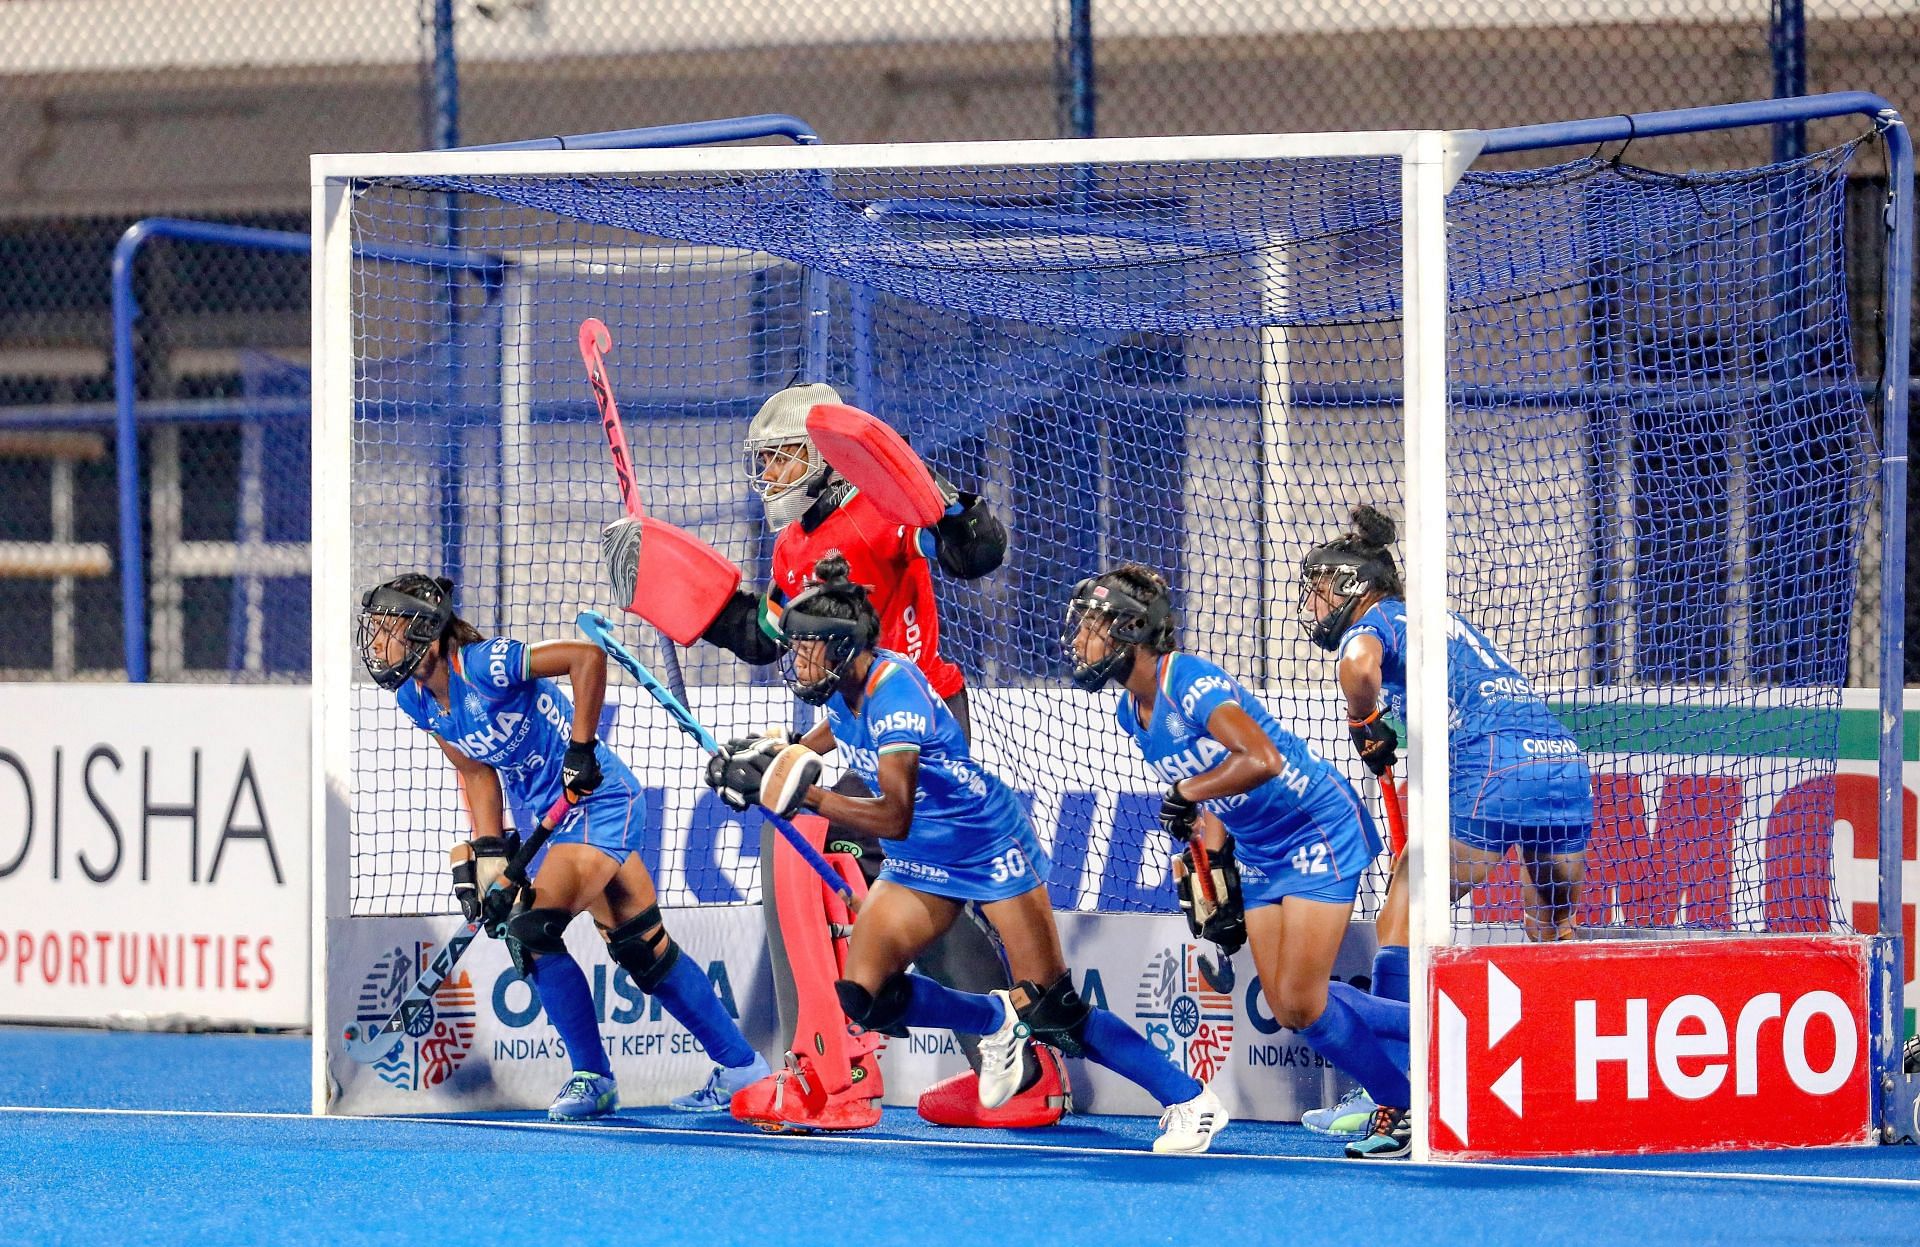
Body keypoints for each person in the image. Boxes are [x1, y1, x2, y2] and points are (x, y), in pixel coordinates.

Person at [707, 557, 1225, 1152]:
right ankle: (993, 1020)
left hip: (983, 842)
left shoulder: (893, 693)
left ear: (842, 649)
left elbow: (893, 814)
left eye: (805, 649)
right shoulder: (847, 687)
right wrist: (781, 755)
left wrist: (805, 793)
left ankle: (1190, 1101)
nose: (796, 662)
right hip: (921, 855)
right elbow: (835, 731)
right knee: (865, 998)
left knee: (1054, 1010)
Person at [683, 383, 1068, 1129]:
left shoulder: (885, 510)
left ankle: (827, 1072)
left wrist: (959, 519)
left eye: (783, 457)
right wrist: (694, 601)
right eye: (762, 461)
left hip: (917, 719)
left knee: (806, 841)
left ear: (827, 460)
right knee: (923, 900)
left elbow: (968, 552)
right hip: (854, 726)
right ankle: (1020, 1068)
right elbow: (769, 634)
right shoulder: (792, 543)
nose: (768, 475)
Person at [357, 572, 768, 1121]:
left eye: (390, 629)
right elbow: (476, 772)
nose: (377, 643)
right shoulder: (418, 700)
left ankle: (592, 1077)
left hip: (600, 800)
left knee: (531, 931)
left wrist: (581, 748)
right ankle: (744, 1070)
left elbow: (584, 657)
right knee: (643, 951)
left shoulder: (483, 664)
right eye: (376, 629)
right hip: (555, 820)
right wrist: (488, 854)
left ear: (426, 633)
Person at [1064, 564, 1414, 1159]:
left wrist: (1190, 795)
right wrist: (1214, 852)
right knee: (1289, 1007)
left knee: (1304, 1000)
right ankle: (1418, 1071)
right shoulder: (1131, 713)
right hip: (1258, 847)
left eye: (1090, 627)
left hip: (1313, 826)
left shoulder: (1190, 680)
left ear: (1128, 630)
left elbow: (1262, 757)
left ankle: (1413, 1083)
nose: (1077, 640)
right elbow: (1208, 786)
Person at [1295, 505, 1594, 1141]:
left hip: (1491, 768)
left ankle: (1399, 1093)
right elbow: (1432, 703)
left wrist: (1360, 719)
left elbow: (1359, 670)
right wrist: (1390, 730)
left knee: (1399, 917)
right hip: (1562, 763)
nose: (1313, 606)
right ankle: (1559, 1089)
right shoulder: (1443, 623)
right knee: (1552, 937)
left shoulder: (1375, 621)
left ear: (1351, 586)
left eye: (1319, 592)